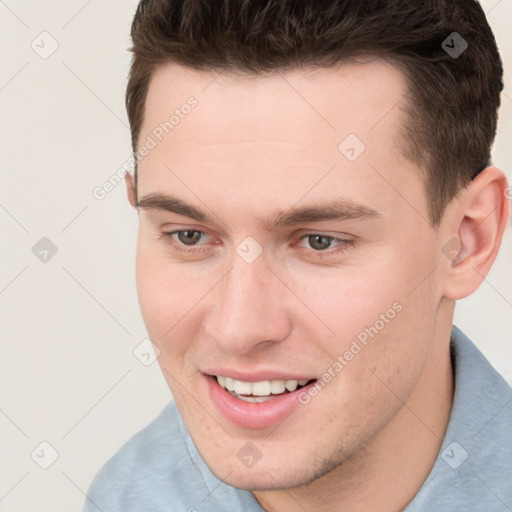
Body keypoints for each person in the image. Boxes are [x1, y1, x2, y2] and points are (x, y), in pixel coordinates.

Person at [84, 1, 512, 510]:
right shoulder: (126, 497)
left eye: (319, 241)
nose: (238, 328)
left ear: (467, 240)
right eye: (190, 236)